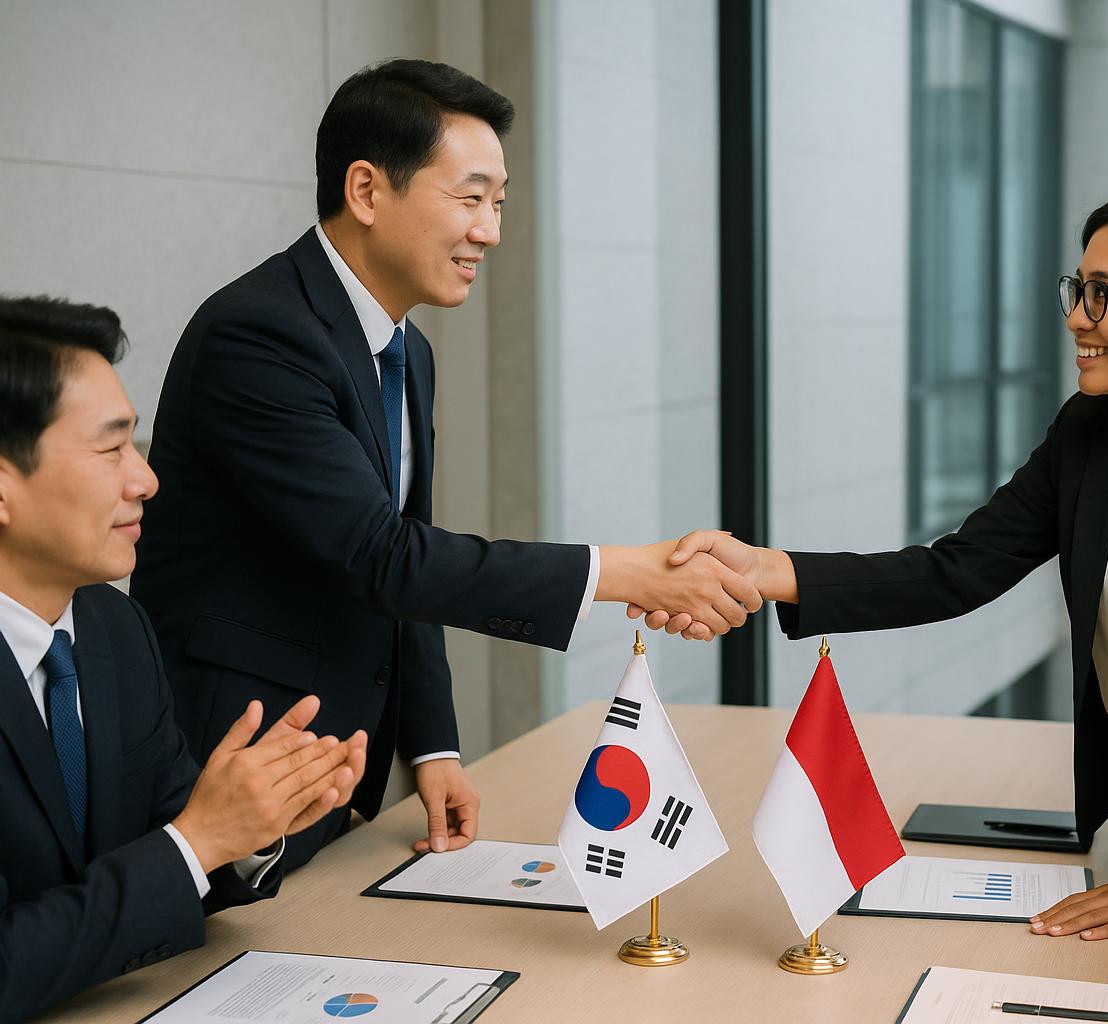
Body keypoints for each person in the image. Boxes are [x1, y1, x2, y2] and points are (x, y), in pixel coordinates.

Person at [635, 182, 1108, 1019]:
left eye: (1105, 294)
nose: (1077, 317)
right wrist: (767, 568)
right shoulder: (1091, 434)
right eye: (1077, 289)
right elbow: (957, 569)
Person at [131, 59, 758, 869]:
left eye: (498, 204)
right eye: (470, 199)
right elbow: (382, 556)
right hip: (235, 761)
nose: (490, 232)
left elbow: (403, 544)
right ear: (366, 191)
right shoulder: (258, 336)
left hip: (335, 772)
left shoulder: (407, 350)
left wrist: (431, 747)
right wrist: (626, 572)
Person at [0, 296, 368, 1020]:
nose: (146, 480)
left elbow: (171, 835)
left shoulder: (112, 626)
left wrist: (252, 828)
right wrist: (199, 840)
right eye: (111, 450)